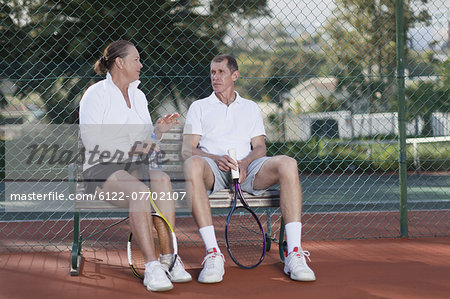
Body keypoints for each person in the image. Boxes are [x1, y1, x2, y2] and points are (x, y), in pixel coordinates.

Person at [181, 54, 316, 284]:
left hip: (248, 170)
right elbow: (188, 149)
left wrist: (245, 163)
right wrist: (216, 158)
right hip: (213, 170)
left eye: (221, 72)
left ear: (235, 75)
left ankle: (294, 254)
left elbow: (260, 147)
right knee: (192, 163)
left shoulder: (251, 108)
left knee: (288, 163)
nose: (215, 77)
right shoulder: (199, 107)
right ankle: (213, 254)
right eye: (212, 72)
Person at [79, 40, 192, 292]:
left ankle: (169, 259)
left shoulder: (139, 96)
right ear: (119, 62)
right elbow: (93, 141)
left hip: (134, 166)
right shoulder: (95, 95)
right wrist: (131, 149)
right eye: (136, 59)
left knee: (161, 179)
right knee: (140, 191)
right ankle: (151, 266)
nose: (141, 65)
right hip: (102, 169)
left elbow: (147, 141)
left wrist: (158, 132)